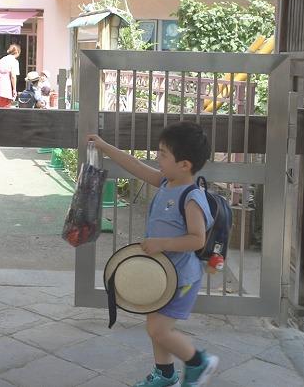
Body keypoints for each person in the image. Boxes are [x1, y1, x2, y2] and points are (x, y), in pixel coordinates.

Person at [87, 122, 220, 387]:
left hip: (181, 279)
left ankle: (198, 362)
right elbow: (134, 166)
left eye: (162, 155)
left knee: (158, 329)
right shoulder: (166, 182)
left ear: (184, 164)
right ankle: (165, 374)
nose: (157, 159)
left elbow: (197, 239)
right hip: (161, 275)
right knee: (155, 327)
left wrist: (162, 243)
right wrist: (104, 146)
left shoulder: (192, 197)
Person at [0, 44, 21, 108]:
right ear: (17, 52)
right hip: (5, 88)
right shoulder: (14, 61)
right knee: (5, 109)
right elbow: (13, 76)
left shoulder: (2, 59)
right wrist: (14, 89)